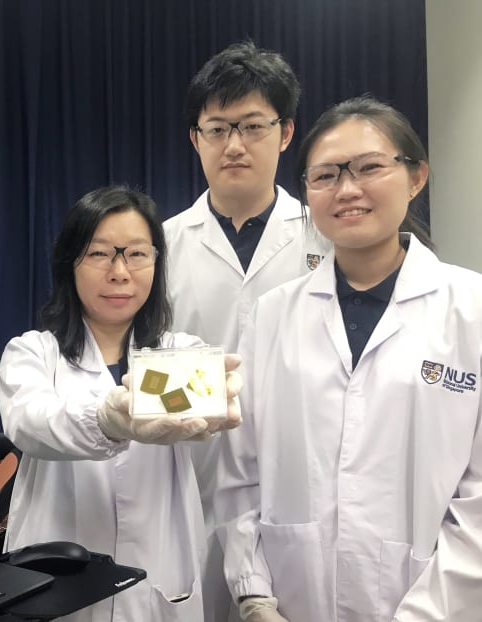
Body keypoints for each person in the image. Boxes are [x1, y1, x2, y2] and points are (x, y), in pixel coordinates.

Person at [215, 95, 482, 622]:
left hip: (434, 603)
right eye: (326, 175)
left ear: (416, 176)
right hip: (292, 601)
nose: (348, 189)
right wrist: (253, 591)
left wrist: (427, 613)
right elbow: (238, 471)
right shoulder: (273, 315)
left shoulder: (470, 309)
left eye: (369, 167)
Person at [0, 185, 242, 621]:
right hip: (56, 581)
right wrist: (108, 420)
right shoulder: (33, 353)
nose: (120, 272)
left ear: (156, 262)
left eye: (136, 254)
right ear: (69, 262)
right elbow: (30, 423)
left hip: (157, 580)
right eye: (99, 254)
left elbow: (210, 411)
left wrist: (224, 401)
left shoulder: (181, 353)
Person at [163, 41, 329, 621]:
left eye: (252, 126)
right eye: (217, 128)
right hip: (189, 476)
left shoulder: (324, 238)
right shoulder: (159, 246)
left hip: (297, 474)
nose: (234, 144)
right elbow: (141, 364)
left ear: (285, 134)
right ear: (195, 138)